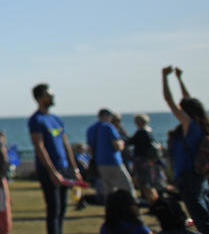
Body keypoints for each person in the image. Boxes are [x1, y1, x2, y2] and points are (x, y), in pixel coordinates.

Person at [161, 66, 209, 234]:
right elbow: (187, 100)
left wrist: (164, 77)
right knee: (205, 216)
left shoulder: (190, 126)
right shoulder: (200, 125)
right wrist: (179, 79)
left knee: (202, 221)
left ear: (186, 112)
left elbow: (169, 101)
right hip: (198, 177)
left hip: (188, 178)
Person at [28, 83, 80, 234]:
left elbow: (65, 144)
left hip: (63, 167)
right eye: (49, 95)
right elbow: (39, 147)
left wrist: (74, 168)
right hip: (49, 170)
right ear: (40, 97)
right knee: (54, 209)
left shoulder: (56, 120)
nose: (52, 97)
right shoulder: (36, 120)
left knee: (62, 209)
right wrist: (52, 171)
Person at [86, 109, 136, 197]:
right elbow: (117, 146)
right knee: (127, 186)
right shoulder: (108, 127)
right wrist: (122, 144)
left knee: (109, 189)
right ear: (108, 116)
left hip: (100, 162)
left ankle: (111, 207)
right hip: (113, 161)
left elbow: (90, 149)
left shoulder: (91, 129)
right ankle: (132, 206)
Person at [127, 114, 164, 203]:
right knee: (149, 182)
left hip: (142, 160)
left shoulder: (141, 132)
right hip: (149, 160)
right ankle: (154, 200)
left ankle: (151, 201)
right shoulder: (149, 131)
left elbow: (130, 141)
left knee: (144, 182)